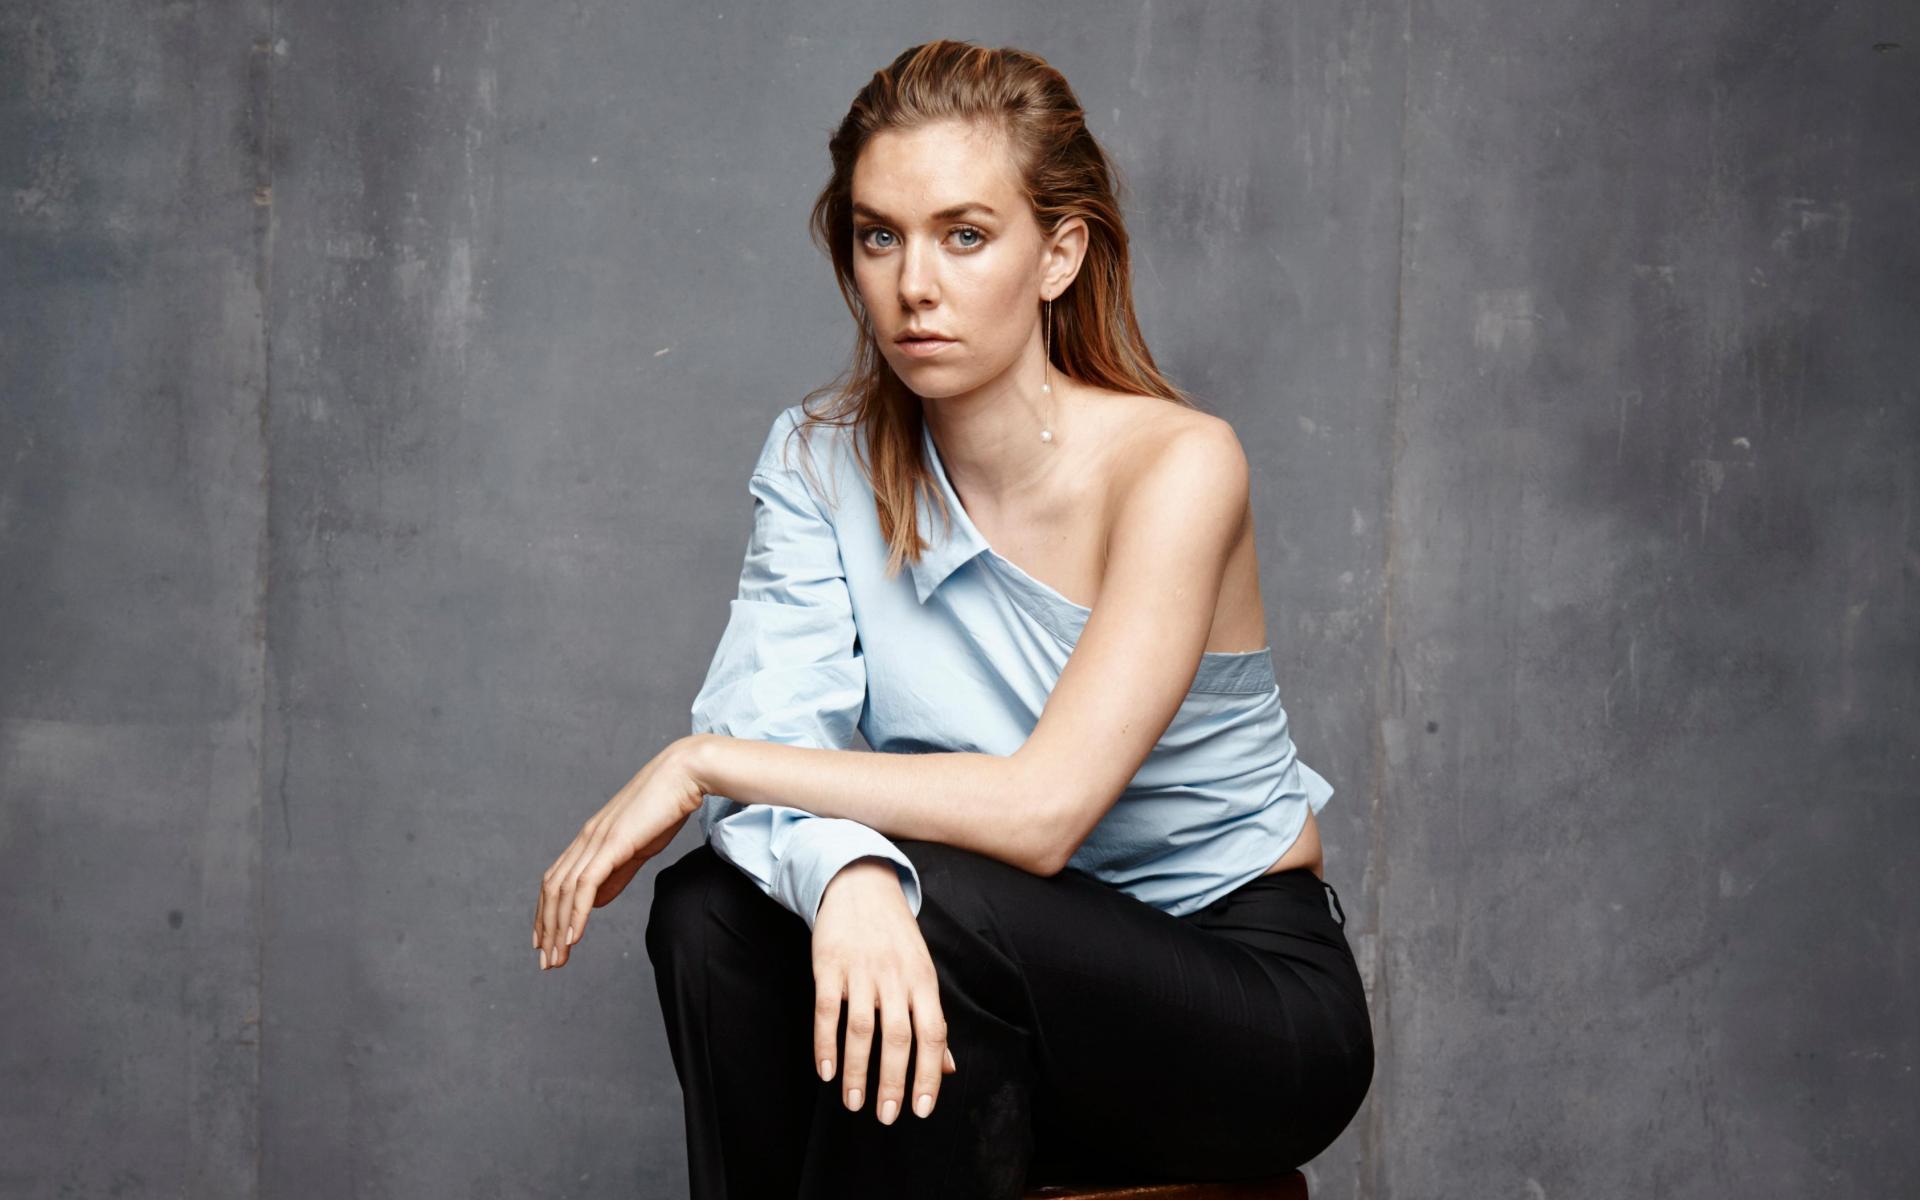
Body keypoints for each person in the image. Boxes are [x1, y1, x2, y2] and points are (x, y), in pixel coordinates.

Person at [531, 38, 1374, 1200]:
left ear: (1058, 254)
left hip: (1236, 1012)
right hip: (993, 1007)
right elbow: (783, 716)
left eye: (964, 236)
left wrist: (700, 761)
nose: (914, 285)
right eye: (880, 236)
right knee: (709, 916)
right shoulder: (817, 459)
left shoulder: (1180, 464)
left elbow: (1041, 813)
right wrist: (849, 874)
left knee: (940, 905)